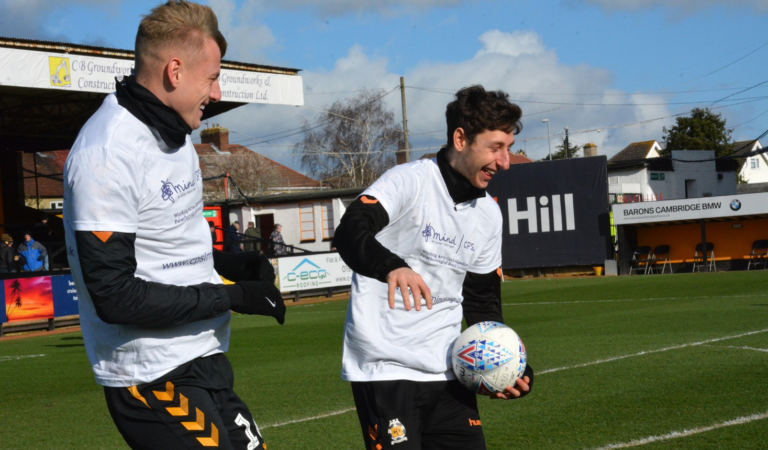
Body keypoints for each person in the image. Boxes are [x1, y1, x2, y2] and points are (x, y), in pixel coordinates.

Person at [63, 2, 285, 448]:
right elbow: (114, 295)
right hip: (152, 376)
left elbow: (165, 246)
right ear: (175, 71)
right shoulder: (107, 154)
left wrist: (232, 263)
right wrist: (234, 296)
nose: (218, 93)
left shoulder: (177, 134)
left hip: (204, 358)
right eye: (212, 77)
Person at [333, 85, 534, 450]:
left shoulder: (488, 213)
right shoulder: (409, 181)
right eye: (495, 148)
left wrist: (510, 366)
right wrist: (391, 266)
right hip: (387, 370)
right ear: (461, 138)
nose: (505, 162)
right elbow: (350, 231)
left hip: (450, 372)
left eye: (509, 148)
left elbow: (482, 301)